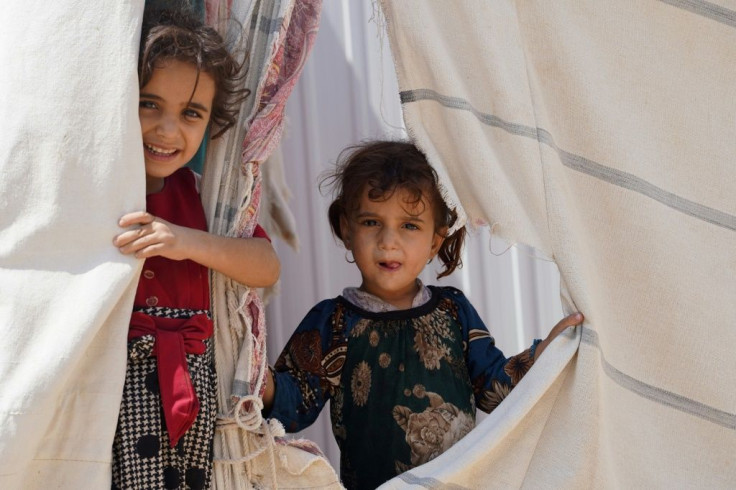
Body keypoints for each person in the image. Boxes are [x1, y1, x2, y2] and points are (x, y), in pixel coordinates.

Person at [261, 141, 583, 489]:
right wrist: (262, 385)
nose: (388, 241)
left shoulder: (454, 311)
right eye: (371, 221)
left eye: (409, 226)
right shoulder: (334, 324)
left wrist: (545, 352)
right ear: (346, 228)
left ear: (435, 240)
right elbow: (294, 406)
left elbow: (493, 388)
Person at [111, 9, 280, 490]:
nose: (168, 130)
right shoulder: (95, 194)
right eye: (149, 104)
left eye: (190, 113)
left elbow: (265, 266)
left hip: (194, 388)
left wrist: (183, 241)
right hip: (112, 388)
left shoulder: (204, 197)